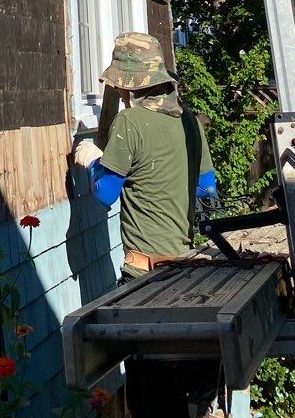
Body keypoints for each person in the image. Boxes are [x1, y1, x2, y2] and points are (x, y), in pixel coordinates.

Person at [73, 32, 219, 416]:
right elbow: (207, 187)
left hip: (144, 279)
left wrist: (93, 159)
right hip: (190, 273)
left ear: (131, 86)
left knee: (151, 397)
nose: (120, 94)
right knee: (185, 391)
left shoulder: (129, 122)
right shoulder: (190, 122)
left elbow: (106, 194)